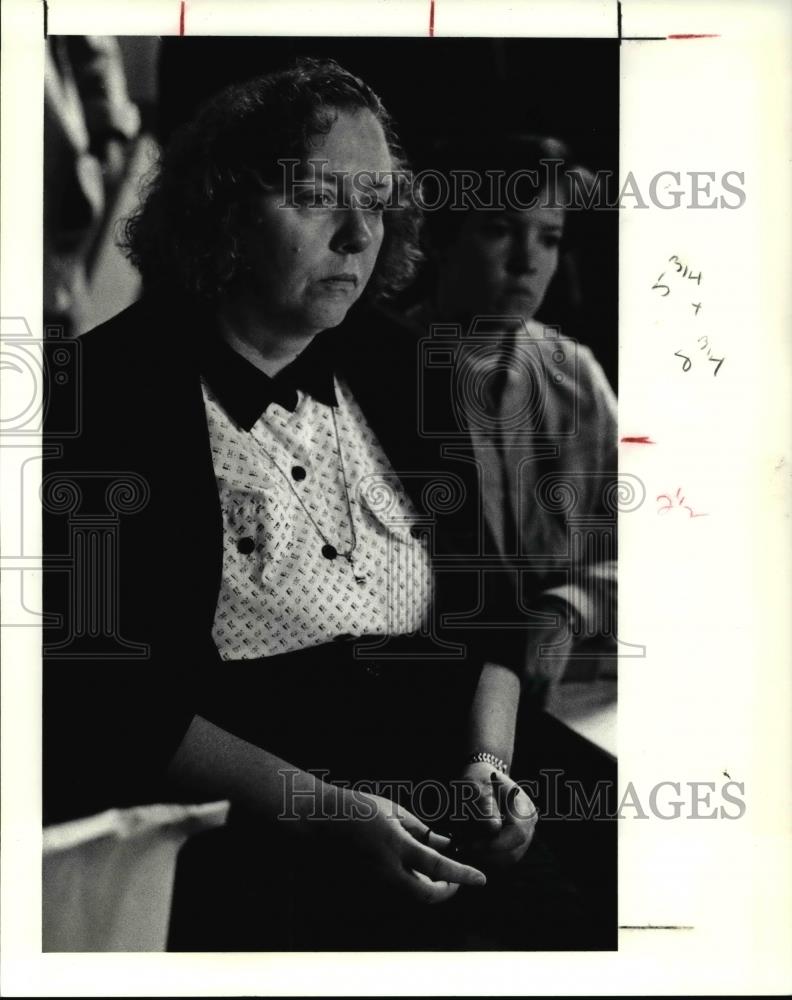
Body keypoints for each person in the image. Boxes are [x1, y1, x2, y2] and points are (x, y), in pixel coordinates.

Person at [43, 62, 602, 951]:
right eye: (315, 196)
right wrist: (330, 812)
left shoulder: (403, 363)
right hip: (243, 825)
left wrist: (489, 766)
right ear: (221, 208)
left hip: (445, 787)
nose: (355, 236)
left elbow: (495, 615)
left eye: (375, 202)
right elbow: (111, 703)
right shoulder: (97, 395)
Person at [406, 133, 619, 706]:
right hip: (435, 691)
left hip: (573, 686)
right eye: (499, 229)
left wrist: (574, 606)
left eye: (549, 238)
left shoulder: (573, 374)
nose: (528, 261)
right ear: (443, 238)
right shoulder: (385, 370)